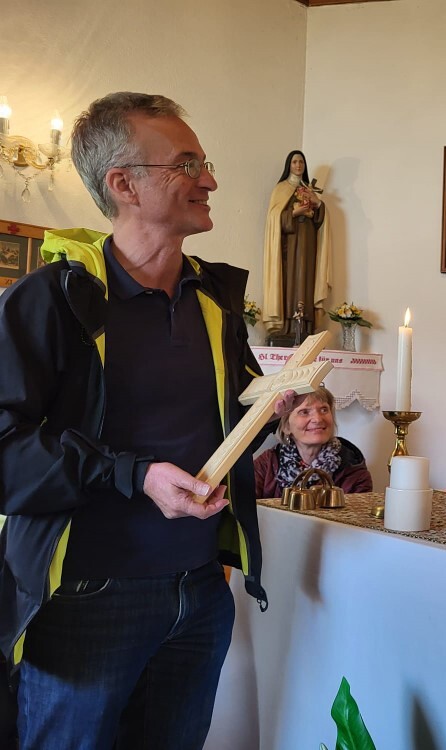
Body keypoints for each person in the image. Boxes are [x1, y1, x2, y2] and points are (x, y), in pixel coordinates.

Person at [0, 92, 292, 750]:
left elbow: (233, 419)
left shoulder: (215, 300)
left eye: (205, 163)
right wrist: (134, 475)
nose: (209, 180)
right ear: (124, 184)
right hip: (86, 598)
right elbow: (6, 451)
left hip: (200, 592)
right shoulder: (49, 301)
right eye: (187, 165)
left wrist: (271, 411)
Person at [262, 150, 333, 339]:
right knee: (290, 281)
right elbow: (273, 218)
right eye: (294, 162)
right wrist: (295, 212)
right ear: (289, 165)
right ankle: (287, 326)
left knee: (307, 278)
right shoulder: (281, 189)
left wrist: (318, 204)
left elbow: (320, 220)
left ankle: (307, 327)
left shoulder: (309, 189)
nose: (298, 165)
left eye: (301, 162)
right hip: (289, 246)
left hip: (308, 243)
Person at [255, 386, 373, 497]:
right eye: (304, 412)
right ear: (286, 426)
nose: (317, 419)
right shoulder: (266, 464)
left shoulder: (353, 470)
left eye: (324, 410)